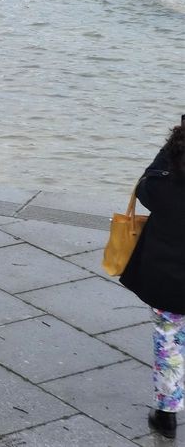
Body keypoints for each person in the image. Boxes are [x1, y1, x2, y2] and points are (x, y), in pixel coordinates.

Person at [119, 117, 185, 440]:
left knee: (168, 341)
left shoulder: (163, 182)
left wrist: (170, 148)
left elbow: (143, 186)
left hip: (168, 282)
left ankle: (167, 414)